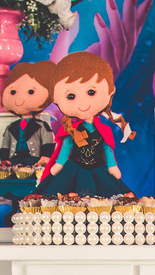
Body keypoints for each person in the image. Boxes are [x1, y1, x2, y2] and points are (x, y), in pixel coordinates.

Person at [36, 51, 134, 197]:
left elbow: (107, 149)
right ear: (55, 97)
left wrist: (112, 166)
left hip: (99, 171)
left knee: (109, 200)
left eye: (91, 92)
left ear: (110, 91)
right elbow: (66, 146)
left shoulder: (104, 130)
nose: (82, 103)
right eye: (71, 96)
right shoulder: (70, 129)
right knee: (62, 198)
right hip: (72, 170)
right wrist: (60, 163)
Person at [0, 61, 58, 167]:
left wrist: (45, 156)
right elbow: (5, 144)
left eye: (31, 92)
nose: (20, 99)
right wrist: (4, 159)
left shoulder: (42, 126)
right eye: (13, 92)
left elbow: (48, 141)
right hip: (14, 160)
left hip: (34, 160)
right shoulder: (11, 127)